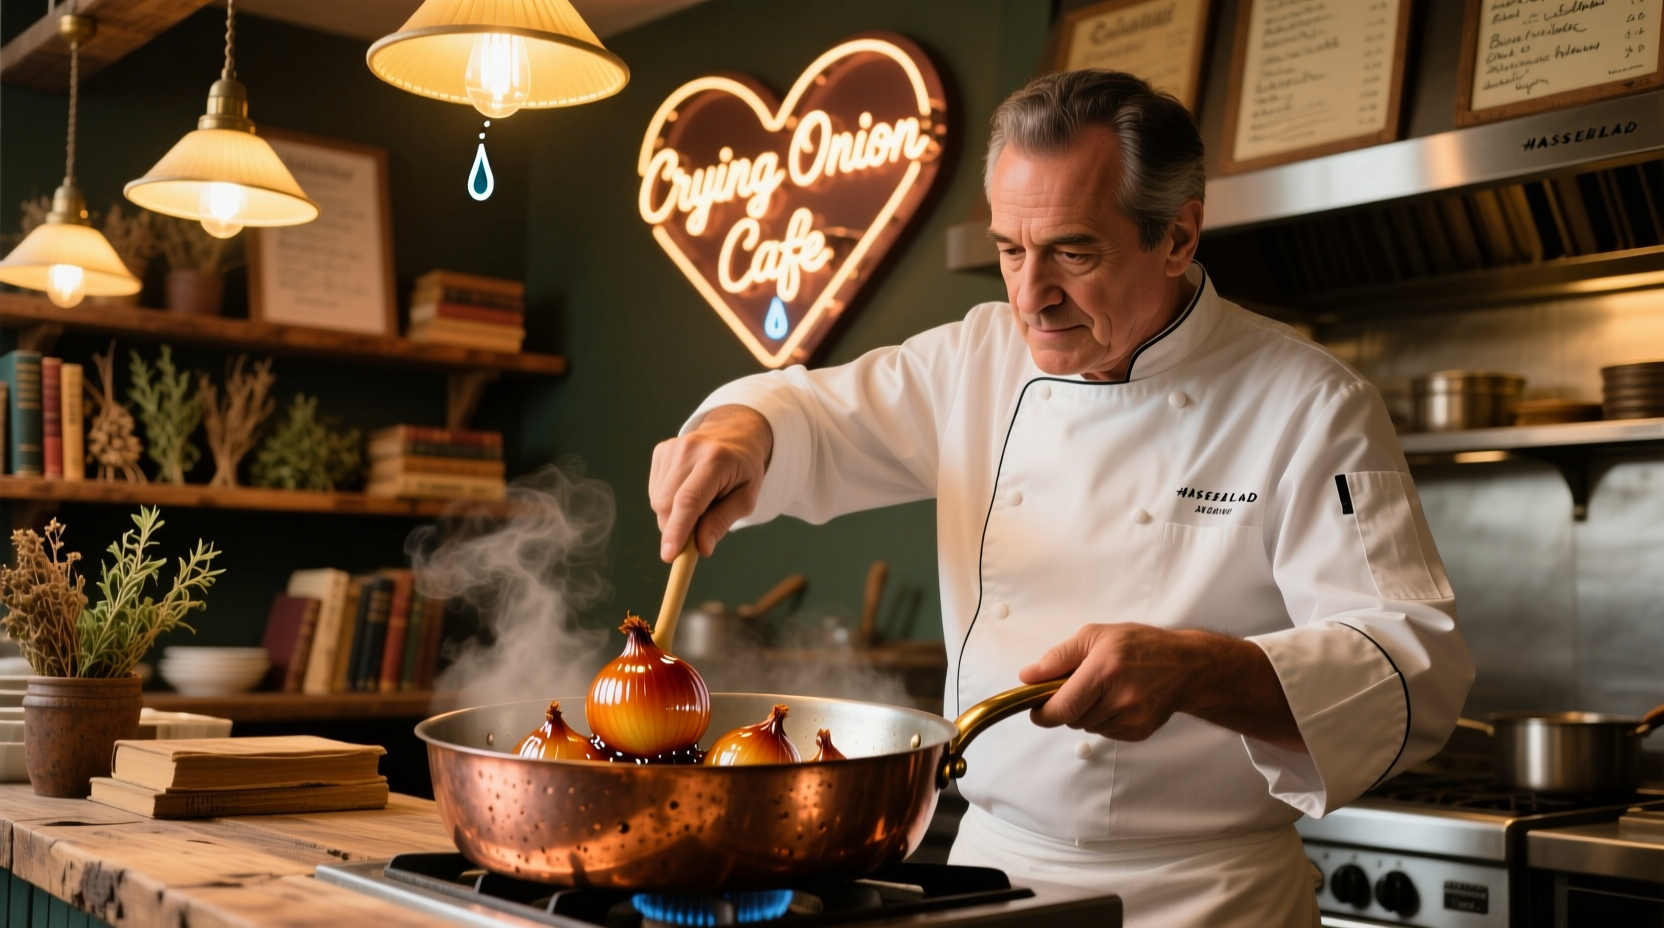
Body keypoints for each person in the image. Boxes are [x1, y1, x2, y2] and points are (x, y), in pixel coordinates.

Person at [648, 70, 1473, 926]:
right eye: (1011, 250)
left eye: (1073, 254)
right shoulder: (976, 360)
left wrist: (1202, 671)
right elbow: (809, 416)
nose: (1030, 297)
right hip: (995, 879)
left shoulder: (1311, 403)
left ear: (1178, 237)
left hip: (1206, 898)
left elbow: (1413, 663)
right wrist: (739, 432)